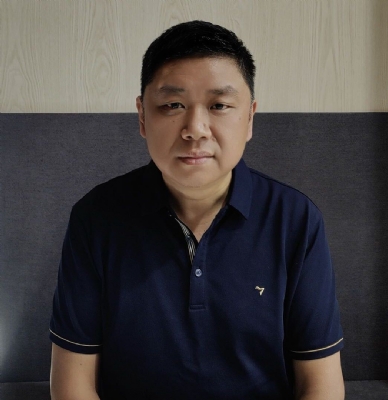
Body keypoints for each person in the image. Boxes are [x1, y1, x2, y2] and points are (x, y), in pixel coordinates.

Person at [49, 20, 344, 399]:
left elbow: (321, 384)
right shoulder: (95, 218)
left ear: (250, 117)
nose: (196, 129)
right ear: (142, 115)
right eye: (173, 105)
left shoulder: (295, 220)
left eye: (219, 105)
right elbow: (72, 384)